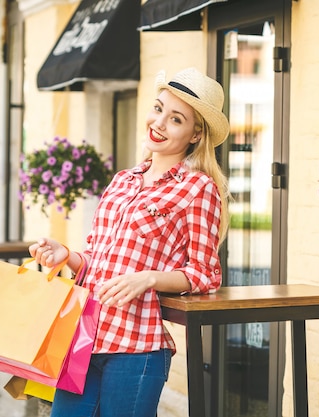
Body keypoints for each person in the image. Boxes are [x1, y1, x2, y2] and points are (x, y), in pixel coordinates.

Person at [29, 67, 231, 417]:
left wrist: (150, 278)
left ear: (195, 134)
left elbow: (205, 273)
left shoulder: (198, 189)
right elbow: (99, 256)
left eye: (176, 119)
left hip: (135, 347)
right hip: (83, 337)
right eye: (158, 109)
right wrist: (68, 256)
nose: (159, 123)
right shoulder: (123, 180)